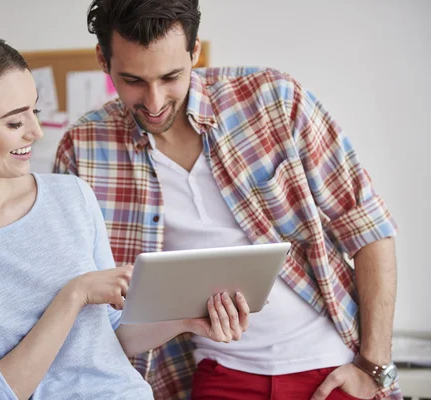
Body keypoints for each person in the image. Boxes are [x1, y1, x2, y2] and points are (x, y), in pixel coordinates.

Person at [53, 1, 401, 399]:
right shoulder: (84, 148)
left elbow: (369, 229)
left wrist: (374, 367)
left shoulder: (273, 101)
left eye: (171, 77)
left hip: (333, 367)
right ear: (103, 59)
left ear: (194, 51)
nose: (154, 101)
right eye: (132, 80)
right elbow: (83, 308)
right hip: (216, 373)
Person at [0, 29, 248, 400]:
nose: (35, 132)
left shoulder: (69, 196)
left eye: (34, 112)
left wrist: (185, 320)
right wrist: (74, 295)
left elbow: (112, 333)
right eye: (15, 122)